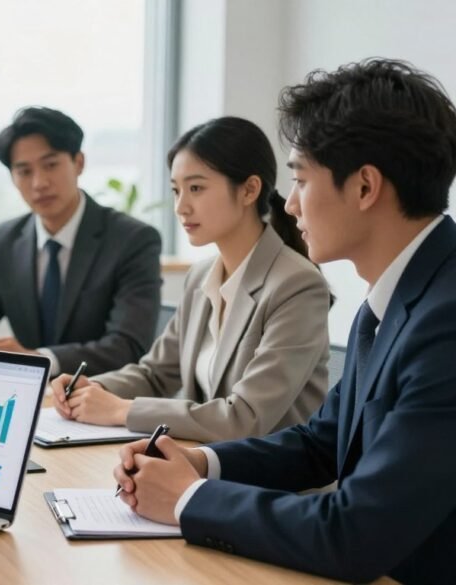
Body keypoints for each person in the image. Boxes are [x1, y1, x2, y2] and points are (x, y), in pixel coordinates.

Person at [114, 59, 456, 584]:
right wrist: (199, 462)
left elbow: (356, 534)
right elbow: (321, 443)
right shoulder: (391, 301)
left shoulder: (445, 320)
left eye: (300, 180)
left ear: (365, 187)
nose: (291, 205)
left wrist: (188, 498)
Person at [50, 117, 330, 442]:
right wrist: (93, 388)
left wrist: (121, 410)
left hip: (274, 472)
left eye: (196, 188)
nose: (181, 207)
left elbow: (244, 418)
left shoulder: (297, 284)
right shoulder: (200, 277)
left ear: (249, 190)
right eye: (176, 190)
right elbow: (155, 374)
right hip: (205, 461)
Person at [0, 106, 162, 377]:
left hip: (97, 391)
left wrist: (39, 359)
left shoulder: (132, 239)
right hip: (25, 394)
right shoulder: (3, 241)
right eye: (24, 171)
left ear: (78, 163)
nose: (39, 183)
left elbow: (128, 345)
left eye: (51, 165)